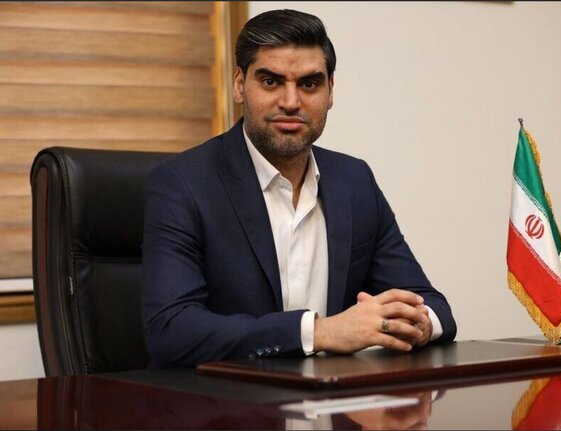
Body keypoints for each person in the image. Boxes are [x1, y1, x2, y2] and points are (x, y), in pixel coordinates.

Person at [142, 9, 456, 367]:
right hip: (226, 397)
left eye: (309, 84)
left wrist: (415, 324)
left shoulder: (354, 181)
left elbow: (434, 307)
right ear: (239, 85)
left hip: (333, 398)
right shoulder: (182, 183)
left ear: (331, 90)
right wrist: (318, 332)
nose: (291, 102)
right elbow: (170, 332)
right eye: (271, 82)